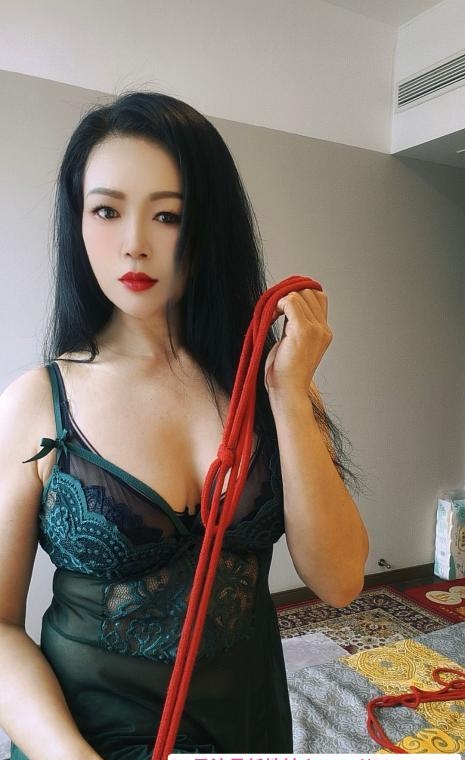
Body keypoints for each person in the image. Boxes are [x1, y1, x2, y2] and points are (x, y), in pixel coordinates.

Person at [0, 91, 369, 760]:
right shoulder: (36, 402)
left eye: (167, 215)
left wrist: (288, 393)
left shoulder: (269, 381)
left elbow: (340, 581)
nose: (134, 245)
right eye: (106, 210)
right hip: (84, 742)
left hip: (248, 732)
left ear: (208, 227)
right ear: (77, 222)